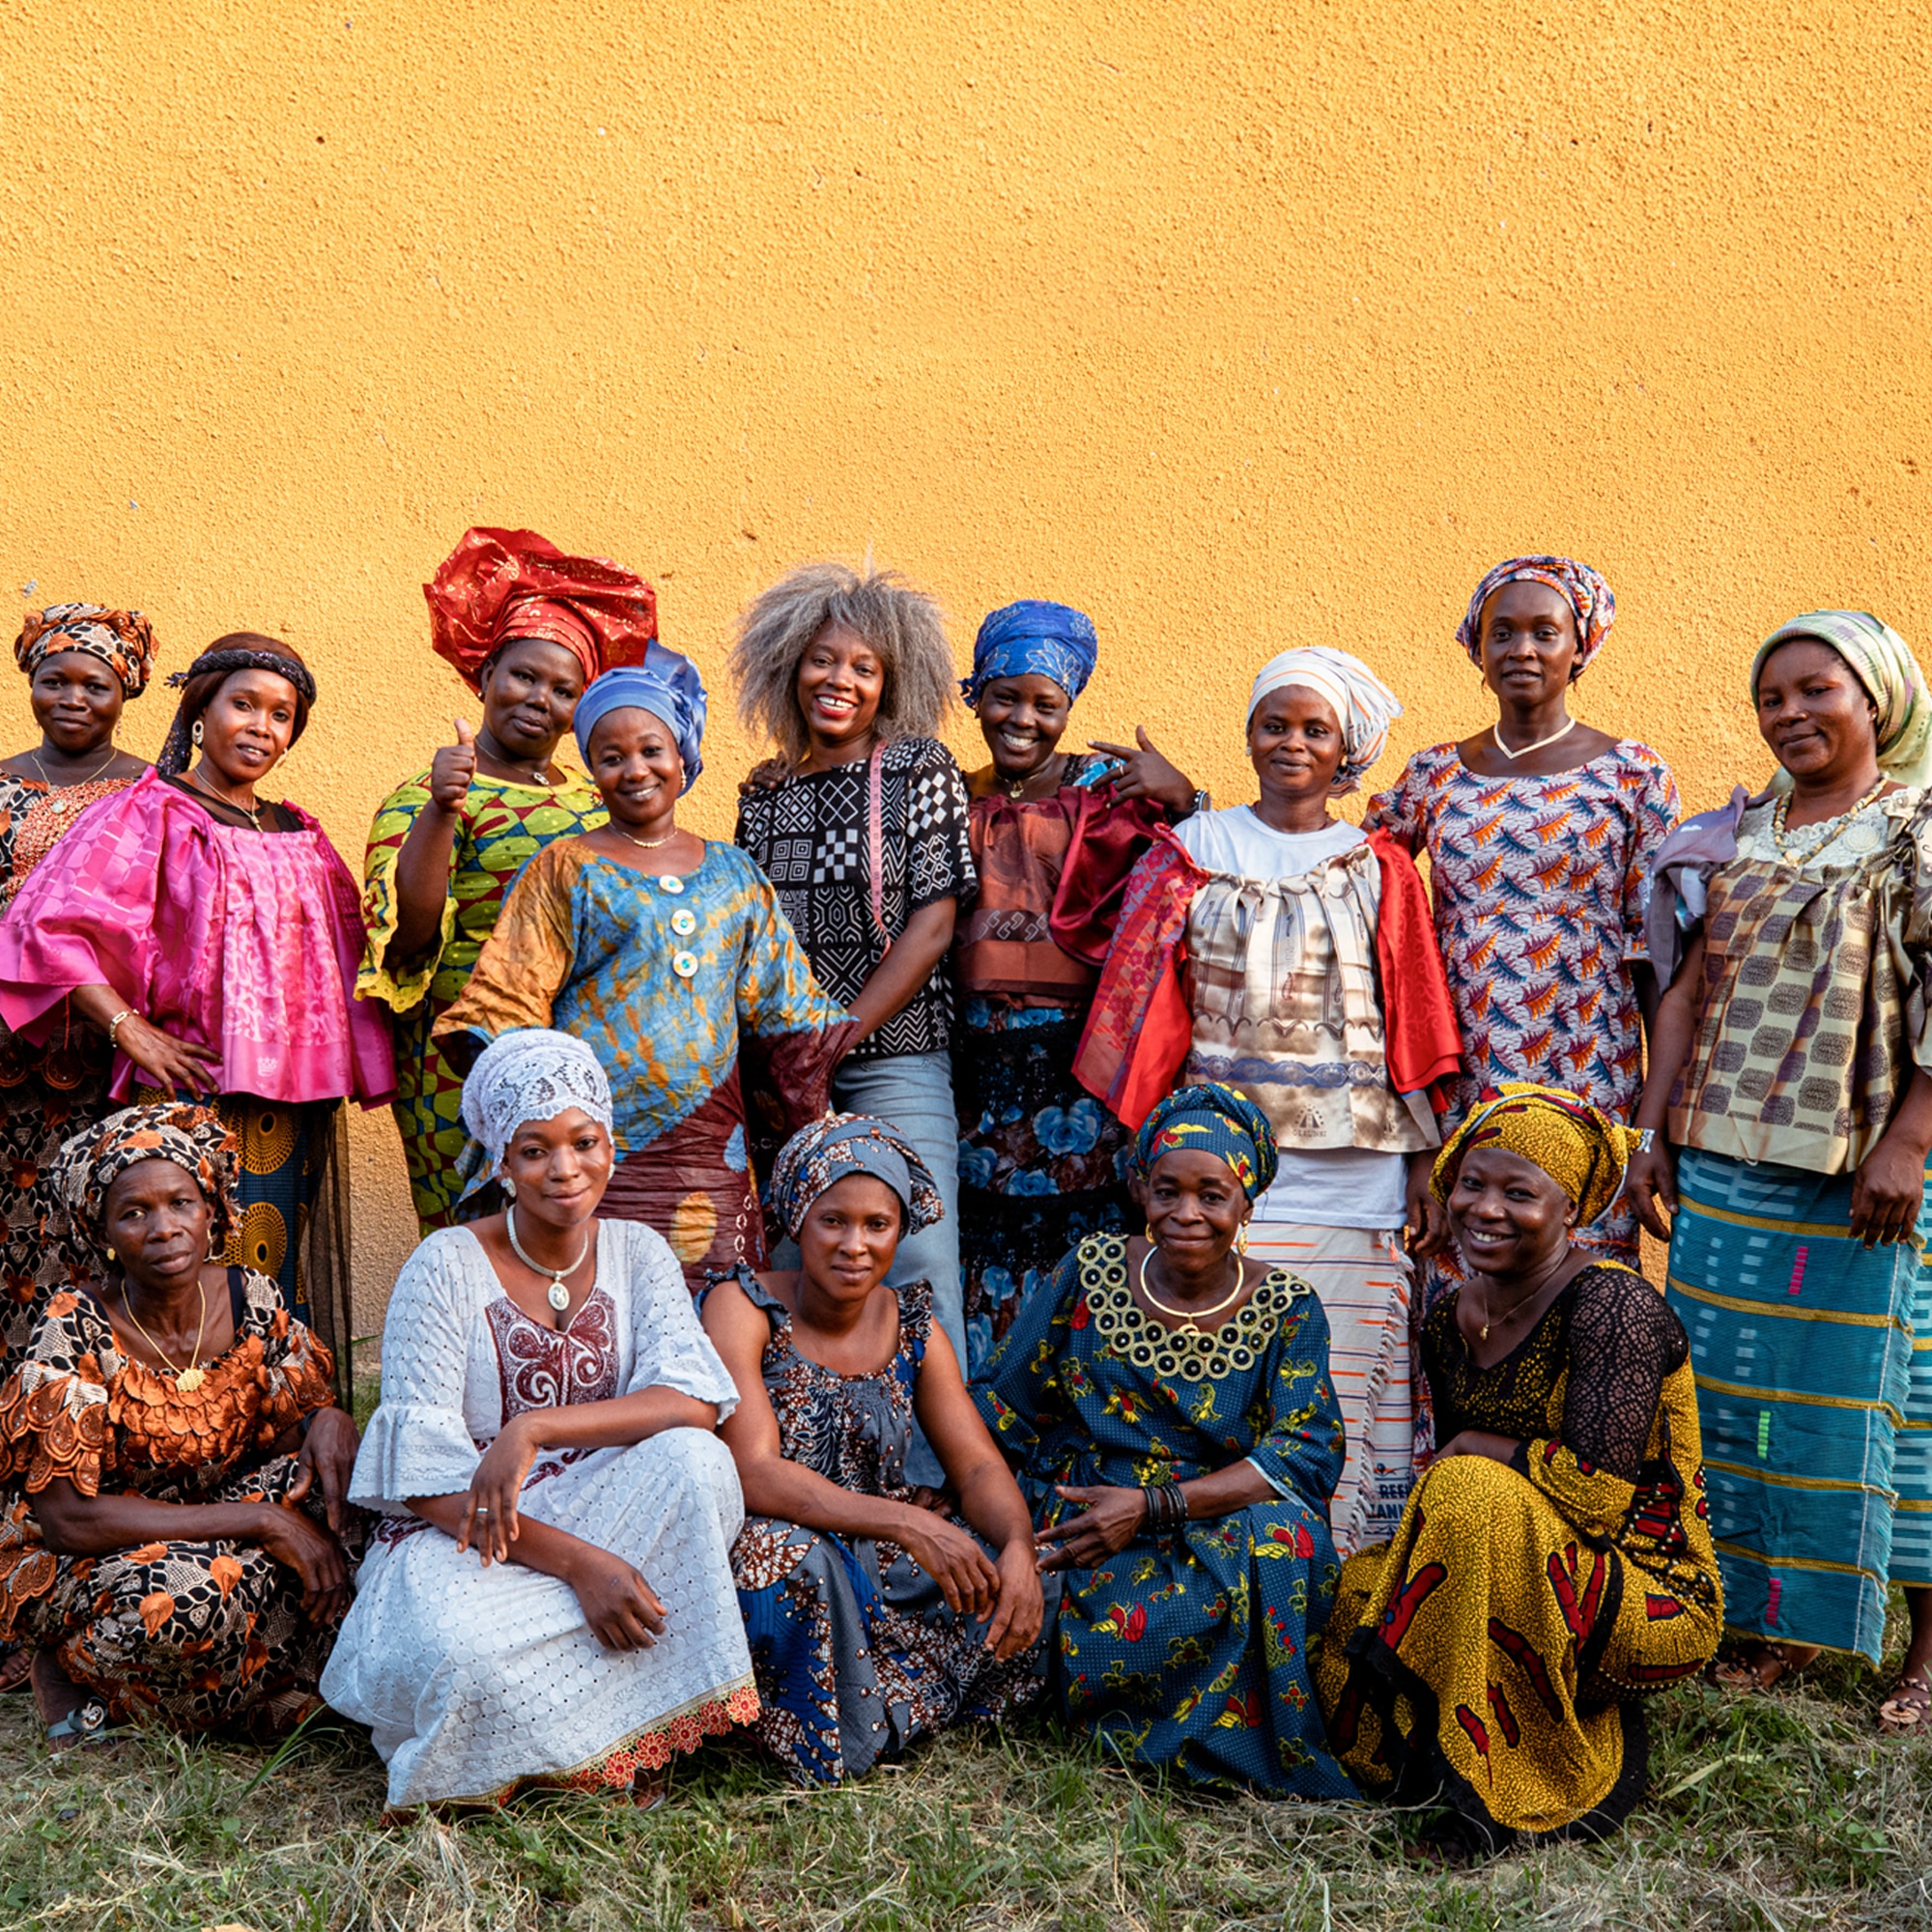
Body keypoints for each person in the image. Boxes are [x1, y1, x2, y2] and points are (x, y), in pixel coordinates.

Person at [1076, 648, 1462, 1553]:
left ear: (1346, 751)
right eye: (1274, 724)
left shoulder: (1377, 864)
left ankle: (1340, 1552)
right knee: (1221, 1343)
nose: (1291, 743)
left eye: (1314, 730)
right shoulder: (1195, 849)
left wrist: (1422, 1162)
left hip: (1353, 1164)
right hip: (1222, 1168)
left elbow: (1414, 1012)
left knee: (1342, 1350)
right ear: (1248, 734)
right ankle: (1215, 1551)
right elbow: (1142, 991)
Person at [1629, 610, 1932, 1736]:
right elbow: (1684, 986)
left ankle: (1921, 1653)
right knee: (1731, 1400)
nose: (1791, 713)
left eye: (1818, 690)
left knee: (1889, 1403)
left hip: (1862, 1169)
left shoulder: (1917, 824)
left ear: (1877, 702)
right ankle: (1763, 1621)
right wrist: (1652, 1130)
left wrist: (1908, 1140)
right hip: (1722, 1154)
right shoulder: (1736, 828)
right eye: (1772, 698)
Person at [321, 1031, 756, 1812]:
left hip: (604, 1504)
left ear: (611, 1146)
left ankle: (610, 1732)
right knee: (463, 1654)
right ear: (501, 1162)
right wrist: (581, 1566)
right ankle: (587, 1738)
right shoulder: (444, 1264)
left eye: (584, 1142)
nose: (565, 1170)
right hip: (466, 1536)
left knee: (697, 1461)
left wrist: (536, 1430)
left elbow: (696, 1397)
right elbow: (422, 1483)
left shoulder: (638, 1251)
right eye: (534, 1150)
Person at [1316, 1085, 1721, 1859]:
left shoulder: (1611, 1307)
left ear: (1570, 1210)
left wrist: (1485, 1450)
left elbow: (1599, 1501)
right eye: (1471, 1182)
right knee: (1351, 1592)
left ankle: (1498, 1800)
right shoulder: (1447, 1314)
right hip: (1513, 1558)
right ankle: (1419, 1770)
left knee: (1470, 1488)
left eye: (1518, 1193)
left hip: (1642, 1591)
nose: (1485, 1209)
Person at [0, 635, 393, 1371]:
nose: (260, 727)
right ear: (201, 713)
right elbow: (44, 926)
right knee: (181, 1276)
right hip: (189, 1096)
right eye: (242, 704)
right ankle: (173, 1447)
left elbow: (351, 960)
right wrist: (130, 1028)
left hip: (295, 1104)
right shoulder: (149, 811)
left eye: (281, 716)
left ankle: (277, 1445)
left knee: (274, 1275)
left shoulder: (303, 835)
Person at [974, 1083, 1354, 1799]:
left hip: (1212, 1519)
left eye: (1212, 1196)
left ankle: (1233, 1745)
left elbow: (1306, 1450)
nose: (1186, 1214)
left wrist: (1155, 1507)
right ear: (1141, 1188)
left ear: (1246, 1203)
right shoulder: (1088, 1272)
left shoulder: (1289, 1308)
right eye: (1166, 1190)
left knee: (1286, 1541)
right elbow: (1003, 1401)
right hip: (1088, 1519)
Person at [433, 657, 859, 1292]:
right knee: (604, 1301)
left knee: (719, 1305)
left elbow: (787, 1016)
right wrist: (547, 1131)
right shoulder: (563, 869)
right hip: (593, 1149)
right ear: (594, 772)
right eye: (610, 756)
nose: (634, 770)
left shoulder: (735, 873)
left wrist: (817, 1139)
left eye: (651, 749)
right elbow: (507, 1005)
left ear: (684, 757)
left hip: (712, 1152)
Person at [701, 1114, 1050, 1785]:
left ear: (900, 1230)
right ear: (798, 1219)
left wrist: (1018, 1549)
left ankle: (889, 1698)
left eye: (876, 1226)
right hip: (777, 1539)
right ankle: (822, 1731)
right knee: (792, 1563)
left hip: (881, 1552)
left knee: (1030, 1577)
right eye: (833, 1221)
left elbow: (975, 1465)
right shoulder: (742, 1306)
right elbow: (752, 1471)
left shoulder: (914, 1324)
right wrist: (908, 1521)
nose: (854, 1246)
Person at [1364, 556, 1680, 1296]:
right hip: (1459, 1065)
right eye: (1502, 632)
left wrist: (1652, 1126)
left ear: (1582, 646)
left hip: (1587, 1064)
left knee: (1582, 1273)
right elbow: (1349, 874)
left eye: (1546, 631)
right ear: (1476, 646)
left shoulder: (1633, 775)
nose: (1523, 650)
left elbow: (1662, 963)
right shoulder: (1434, 775)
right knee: (1459, 1260)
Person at [0, 1103, 359, 1747]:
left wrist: (330, 1419)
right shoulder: (75, 1327)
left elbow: (292, 1443)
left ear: (212, 1211)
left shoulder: (254, 1298)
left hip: (220, 1527)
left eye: (182, 1204)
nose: (165, 1229)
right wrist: (264, 1521)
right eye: (134, 1212)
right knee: (186, 1601)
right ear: (103, 1231)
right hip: (98, 1556)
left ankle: (222, 1694)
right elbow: (67, 1520)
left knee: (354, 1522)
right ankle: (81, 1669)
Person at [730, 561, 977, 1483]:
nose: (840, 680)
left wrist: (842, 1030)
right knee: (806, 1260)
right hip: (787, 1070)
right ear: (789, 667)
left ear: (892, 680)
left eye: (864, 667)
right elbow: (752, 925)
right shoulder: (764, 788)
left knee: (913, 1259)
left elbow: (935, 919)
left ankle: (931, 1481)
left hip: (895, 1056)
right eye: (823, 661)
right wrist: (786, 1050)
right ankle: (816, 1473)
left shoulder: (915, 766)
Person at [359, 528, 660, 1234]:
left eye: (564, 690)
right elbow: (409, 932)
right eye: (525, 676)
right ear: (487, 672)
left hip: (584, 1050)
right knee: (476, 1237)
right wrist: (442, 808)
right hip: (461, 1053)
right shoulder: (424, 794)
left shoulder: (598, 799)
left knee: (579, 1234)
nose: (540, 700)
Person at [952, 598, 1201, 1372]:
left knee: (1084, 1246)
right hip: (973, 1064)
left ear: (1069, 708)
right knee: (979, 1235)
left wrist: (1188, 799)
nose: (1022, 718)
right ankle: (992, 1433)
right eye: (1005, 696)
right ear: (975, 696)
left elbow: (1196, 876)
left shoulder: (1105, 788)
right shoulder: (948, 792)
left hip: (1080, 1067)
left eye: (1045, 704)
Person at [0, 606, 157, 1369]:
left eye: (95, 684)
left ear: (124, 691)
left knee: (98, 1225)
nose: (72, 698)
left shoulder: (151, 792)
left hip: (109, 1061)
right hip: (5, 1063)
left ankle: (85, 1404)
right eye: (52, 680)